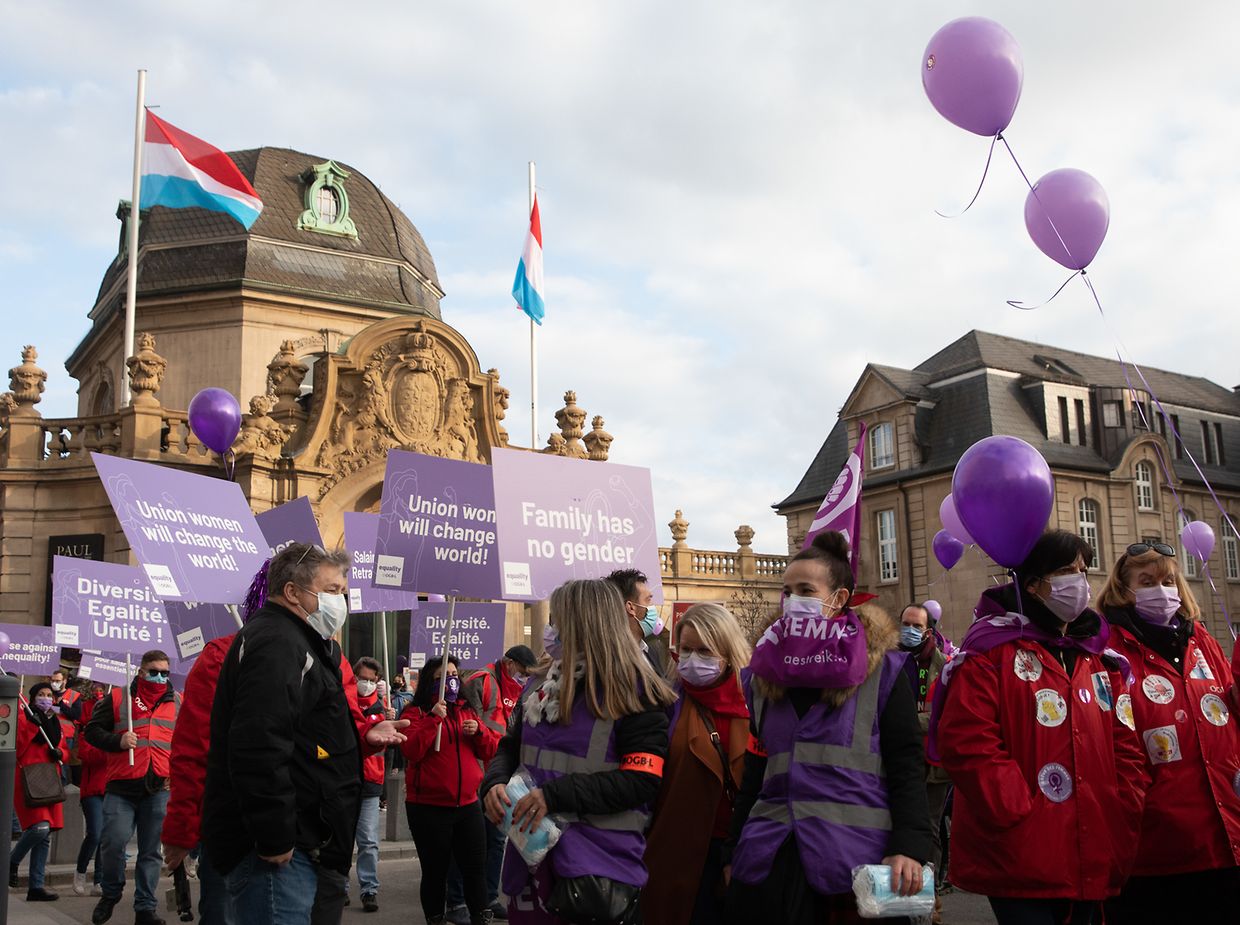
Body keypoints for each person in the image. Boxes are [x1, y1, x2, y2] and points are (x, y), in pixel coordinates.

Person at [935, 530, 1148, 925]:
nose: (1080, 582)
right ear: (1032, 585)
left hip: (1093, 839)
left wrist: (1124, 806)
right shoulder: (990, 651)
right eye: (1066, 571)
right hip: (1021, 849)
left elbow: (1126, 743)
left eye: (1083, 570)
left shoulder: (1099, 657)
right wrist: (1018, 809)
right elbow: (967, 740)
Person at [724, 531, 931, 925]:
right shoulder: (763, 678)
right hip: (769, 859)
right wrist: (733, 850)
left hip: (853, 861)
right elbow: (755, 772)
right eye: (787, 590)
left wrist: (910, 845)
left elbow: (906, 765)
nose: (793, 600)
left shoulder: (883, 672)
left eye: (805, 589)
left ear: (838, 599)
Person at [201, 543, 407, 925]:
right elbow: (260, 744)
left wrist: (362, 735)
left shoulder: (303, 642)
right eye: (330, 591)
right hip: (282, 851)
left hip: (306, 840)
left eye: (342, 592)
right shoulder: (278, 641)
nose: (340, 602)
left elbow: (306, 732)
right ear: (293, 592)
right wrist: (274, 834)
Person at [482, 578, 676, 925]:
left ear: (587, 623)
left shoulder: (638, 689)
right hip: (530, 864)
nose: (550, 630)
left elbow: (642, 781)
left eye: (558, 620)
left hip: (598, 867)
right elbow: (510, 747)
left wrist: (553, 797)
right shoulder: (541, 682)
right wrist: (494, 782)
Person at [1097, 542, 1240, 922]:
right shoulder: (1108, 652)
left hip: (1225, 839)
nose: (1162, 590)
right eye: (1147, 581)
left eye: (1168, 580)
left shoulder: (1202, 642)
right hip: (1153, 852)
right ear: (1123, 589)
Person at [644, 603, 751, 925]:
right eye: (686, 650)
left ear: (727, 651)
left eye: (704, 650)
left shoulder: (758, 702)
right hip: (676, 850)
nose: (692, 660)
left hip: (741, 849)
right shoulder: (665, 703)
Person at [400, 654, 499, 925]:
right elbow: (411, 749)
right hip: (429, 808)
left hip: (468, 805)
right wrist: (433, 719)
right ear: (429, 683)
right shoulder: (415, 712)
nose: (450, 681)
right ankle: (435, 917)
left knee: (475, 869)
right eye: (442, 677)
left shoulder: (467, 710)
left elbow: (491, 749)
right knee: (435, 872)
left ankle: (480, 915)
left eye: (454, 675)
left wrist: (478, 731)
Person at [83, 649, 179, 925]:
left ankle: (145, 909)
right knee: (112, 842)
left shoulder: (178, 702)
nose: (159, 677)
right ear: (140, 671)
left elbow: (184, 742)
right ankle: (110, 893)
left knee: (150, 852)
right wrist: (118, 741)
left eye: (164, 673)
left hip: (160, 786)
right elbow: (91, 732)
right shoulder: (117, 697)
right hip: (122, 785)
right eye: (154, 672)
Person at [446, 645, 539, 923]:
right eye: (521, 671)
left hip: (499, 774)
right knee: (468, 842)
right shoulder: (482, 681)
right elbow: (467, 721)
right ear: (509, 663)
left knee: (496, 839)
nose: (523, 677)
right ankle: (457, 900)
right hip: (476, 771)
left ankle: (488, 896)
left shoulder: (520, 688)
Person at [163, 633, 237, 925]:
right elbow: (193, 749)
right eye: (330, 589)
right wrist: (181, 830)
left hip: (300, 831)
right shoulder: (222, 656)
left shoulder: (327, 655)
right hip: (232, 824)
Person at [898, 603, 951, 925]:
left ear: (928, 631)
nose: (909, 630)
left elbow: (943, 717)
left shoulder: (944, 666)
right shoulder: (889, 660)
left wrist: (906, 720)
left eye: (915, 625)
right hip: (902, 760)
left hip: (934, 764)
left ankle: (928, 900)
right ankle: (905, 896)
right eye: (905, 623)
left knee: (930, 830)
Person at [10, 682, 67, 902]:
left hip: (49, 778)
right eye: (41, 695)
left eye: (49, 695)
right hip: (28, 778)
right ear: (32, 698)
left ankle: (36, 885)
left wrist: (59, 753)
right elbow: (17, 747)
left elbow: (63, 748)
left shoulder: (54, 719)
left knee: (46, 834)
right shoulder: (23, 718)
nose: (46, 698)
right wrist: (32, 725)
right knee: (40, 828)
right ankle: (11, 861)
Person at [351, 656, 395, 913]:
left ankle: (369, 890)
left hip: (370, 781)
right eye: (362, 679)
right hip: (345, 781)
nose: (366, 684)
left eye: (371, 680)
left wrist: (386, 718)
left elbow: (388, 745)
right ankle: (340, 888)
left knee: (368, 840)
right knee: (343, 840)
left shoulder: (382, 707)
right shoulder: (344, 701)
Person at [74, 681, 108, 897]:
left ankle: (99, 881)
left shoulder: (114, 731)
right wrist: (112, 745)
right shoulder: (87, 734)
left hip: (111, 789)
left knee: (105, 836)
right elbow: (87, 756)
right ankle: (80, 873)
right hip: (91, 791)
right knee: (95, 833)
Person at [606, 568, 668, 675]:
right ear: (631, 608)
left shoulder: (651, 651)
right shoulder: (610, 661)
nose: (652, 606)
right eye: (648, 600)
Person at [50, 669, 82, 782]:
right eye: (52, 680)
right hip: (49, 732)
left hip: (67, 735)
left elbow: (77, 715)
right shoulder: (47, 692)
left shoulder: (74, 695)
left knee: (63, 763)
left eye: (57, 681)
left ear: (64, 681)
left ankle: (63, 785)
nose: (54, 683)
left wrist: (62, 705)